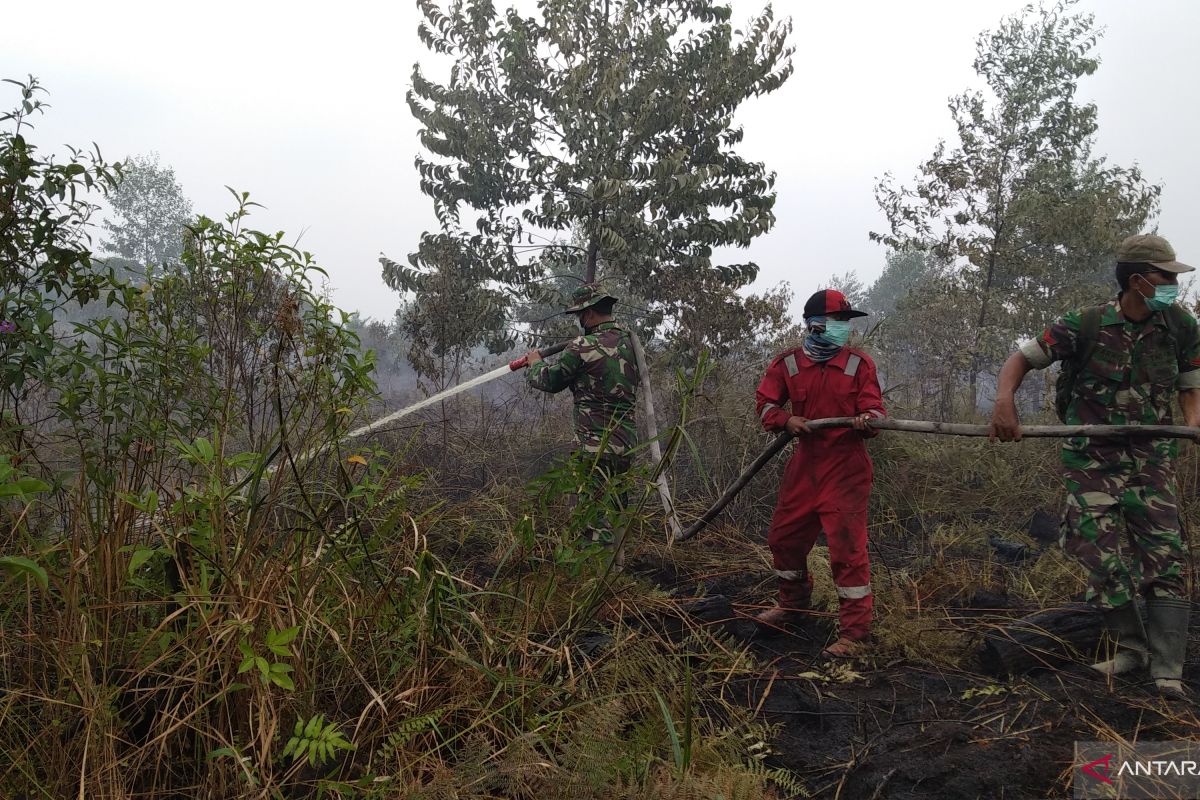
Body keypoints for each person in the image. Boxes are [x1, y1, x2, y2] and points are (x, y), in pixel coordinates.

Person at [990, 234, 1200, 701]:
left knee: (1165, 553)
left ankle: (1167, 669)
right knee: (1092, 545)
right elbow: (1019, 360)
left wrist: (1192, 424)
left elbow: (1190, 384)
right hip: (1092, 458)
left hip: (1151, 458)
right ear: (1138, 279)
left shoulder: (1181, 326)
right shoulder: (1081, 324)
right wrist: (1004, 402)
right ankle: (1131, 648)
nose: (1173, 284)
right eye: (1165, 277)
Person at [754, 289, 886, 657]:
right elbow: (765, 404)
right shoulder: (788, 364)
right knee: (784, 539)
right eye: (838, 322)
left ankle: (855, 634)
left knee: (846, 549)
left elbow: (875, 410)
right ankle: (793, 607)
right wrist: (785, 420)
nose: (844, 328)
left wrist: (869, 421)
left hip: (846, 469)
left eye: (846, 322)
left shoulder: (859, 365)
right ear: (814, 325)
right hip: (805, 467)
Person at [525, 284, 639, 548]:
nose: (580, 321)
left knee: (591, 520)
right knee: (616, 511)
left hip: (592, 448)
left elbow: (550, 381)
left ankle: (596, 580)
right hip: (626, 445)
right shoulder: (630, 343)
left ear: (588, 315)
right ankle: (617, 570)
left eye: (579, 316)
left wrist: (534, 363)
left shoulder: (581, 346)